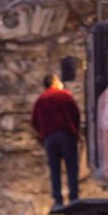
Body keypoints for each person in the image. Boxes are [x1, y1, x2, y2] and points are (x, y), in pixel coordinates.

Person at [30, 75, 81, 207]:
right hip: (66, 135)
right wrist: (75, 131)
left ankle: (58, 200)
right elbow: (75, 114)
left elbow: (34, 122)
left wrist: (43, 134)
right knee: (71, 167)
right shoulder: (64, 95)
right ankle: (74, 198)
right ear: (54, 82)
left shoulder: (40, 100)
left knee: (54, 169)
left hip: (49, 138)